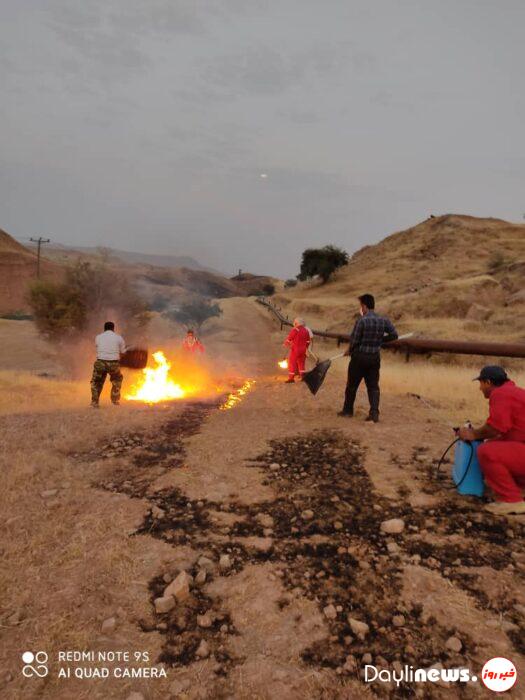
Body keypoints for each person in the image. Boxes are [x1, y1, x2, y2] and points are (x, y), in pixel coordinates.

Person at [459, 366, 525, 515]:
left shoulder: (501, 394)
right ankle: (518, 488)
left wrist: (473, 434)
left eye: (481, 383)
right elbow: (506, 430)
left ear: (488, 382)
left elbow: (496, 427)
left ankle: (511, 500)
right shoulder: (513, 392)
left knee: (487, 452)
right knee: (495, 446)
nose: (480, 388)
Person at [339, 294, 398, 422]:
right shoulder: (384, 320)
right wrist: (381, 340)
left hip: (359, 358)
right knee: (373, 387)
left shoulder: (362, 320)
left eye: (360, 306)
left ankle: (348, 411)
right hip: (374, 358)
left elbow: (354, 340)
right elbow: (394, 335)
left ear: (364, 306)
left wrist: (349, 350)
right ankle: (374, 413)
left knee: (352, 385)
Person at [91, 321, 126, 408]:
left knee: (96, 382)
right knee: (117, 380)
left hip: (100, 362)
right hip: (114, 363)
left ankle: (94, 402)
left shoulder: (98, 337)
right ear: (113, 328)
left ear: (104, 328)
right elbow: (123, 352)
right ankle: (115, 401)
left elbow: (98, 346)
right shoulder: (119, 338)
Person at [283, 318, 310, 383]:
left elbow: (289, 338)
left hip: (295, 349)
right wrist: (305, 347)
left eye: (294, 322)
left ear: (296, 323)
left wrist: (285, 344)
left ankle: (291, 378)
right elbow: (308, 341)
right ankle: (303, 377)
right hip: (303, 350)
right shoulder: (306, 330)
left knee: (292, 363)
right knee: (301, 363)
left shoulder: (295, 330)